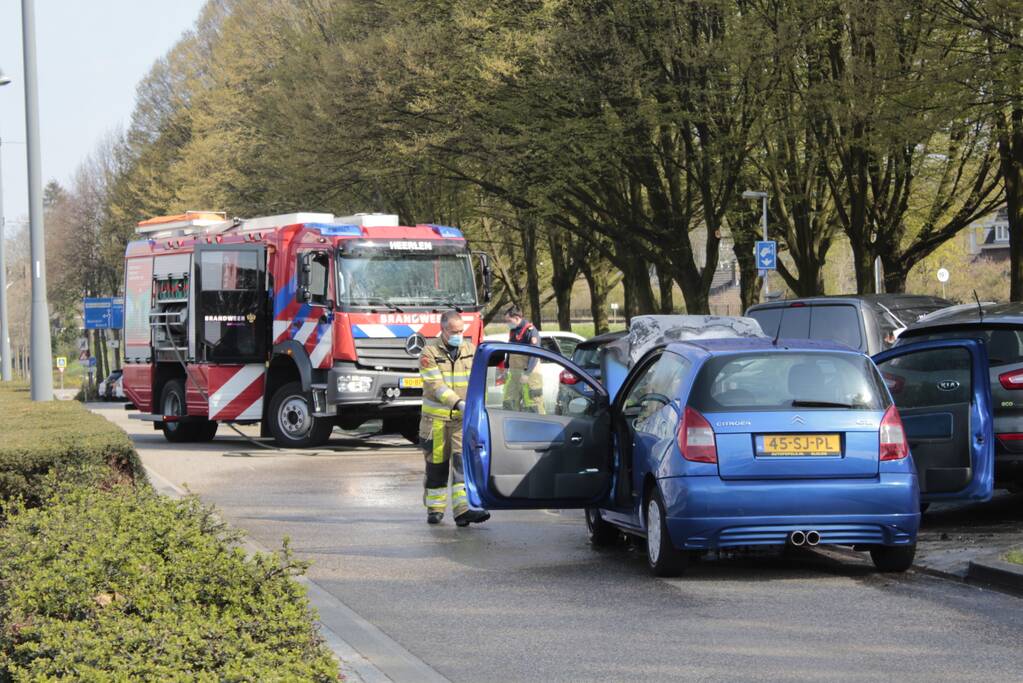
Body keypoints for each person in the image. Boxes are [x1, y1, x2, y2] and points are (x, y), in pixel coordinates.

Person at [419, 310, 490, 527]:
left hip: (462, 421)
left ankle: (463, 511)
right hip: (436, 422)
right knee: (436, 468)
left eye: (461, 330)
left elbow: (479, 380)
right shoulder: (429, 352)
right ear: (443, 330)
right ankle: (435, 509)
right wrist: (458, 402)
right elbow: (435, 385)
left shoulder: (470, 350)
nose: (459, 335)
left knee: (462, 465)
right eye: (454, 331)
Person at [502, 305, 544, 414]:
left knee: (533, 405)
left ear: (516, 318)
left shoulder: (530, 331)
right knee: (509, 403)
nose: (507, 323)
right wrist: (506, 368)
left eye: (508, 320)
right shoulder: (513, 330)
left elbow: (534, 354)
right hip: (515, 375)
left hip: (530, 377)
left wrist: (527, 373)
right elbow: (509, 351)